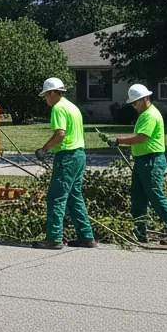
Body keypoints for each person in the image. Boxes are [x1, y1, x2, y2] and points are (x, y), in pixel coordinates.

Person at [102, 84, 167, 246]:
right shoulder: (145, 115)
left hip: (151, 161)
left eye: (136, 102)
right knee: (138, 199)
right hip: (143, 160)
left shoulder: (150, 115)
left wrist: (118, 140)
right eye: (132, 103)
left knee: (156, 196)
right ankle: (140, 233)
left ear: (146, 99)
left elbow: (142, 137)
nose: (134, 106)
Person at [33, 77, 96, 249]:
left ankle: (53, 238)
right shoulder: (72, 107)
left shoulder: (58, 108)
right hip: (79, 155)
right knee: (75, 197)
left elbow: (60, 134)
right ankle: (86, 236)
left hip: (67, 157)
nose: (46, 98)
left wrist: (44, 149)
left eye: (46, 95)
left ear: (52, 93)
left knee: (56, 197)